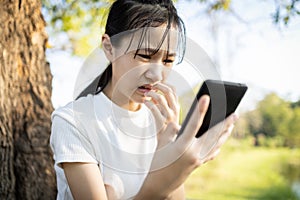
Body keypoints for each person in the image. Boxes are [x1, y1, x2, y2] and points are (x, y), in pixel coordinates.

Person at [50, 0, 238, 199]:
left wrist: (167, 147)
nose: (157, 75)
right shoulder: (73, 122)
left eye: (167, 60)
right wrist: (159, 185)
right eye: (145, 56)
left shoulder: (160, 123)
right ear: (109, 48)